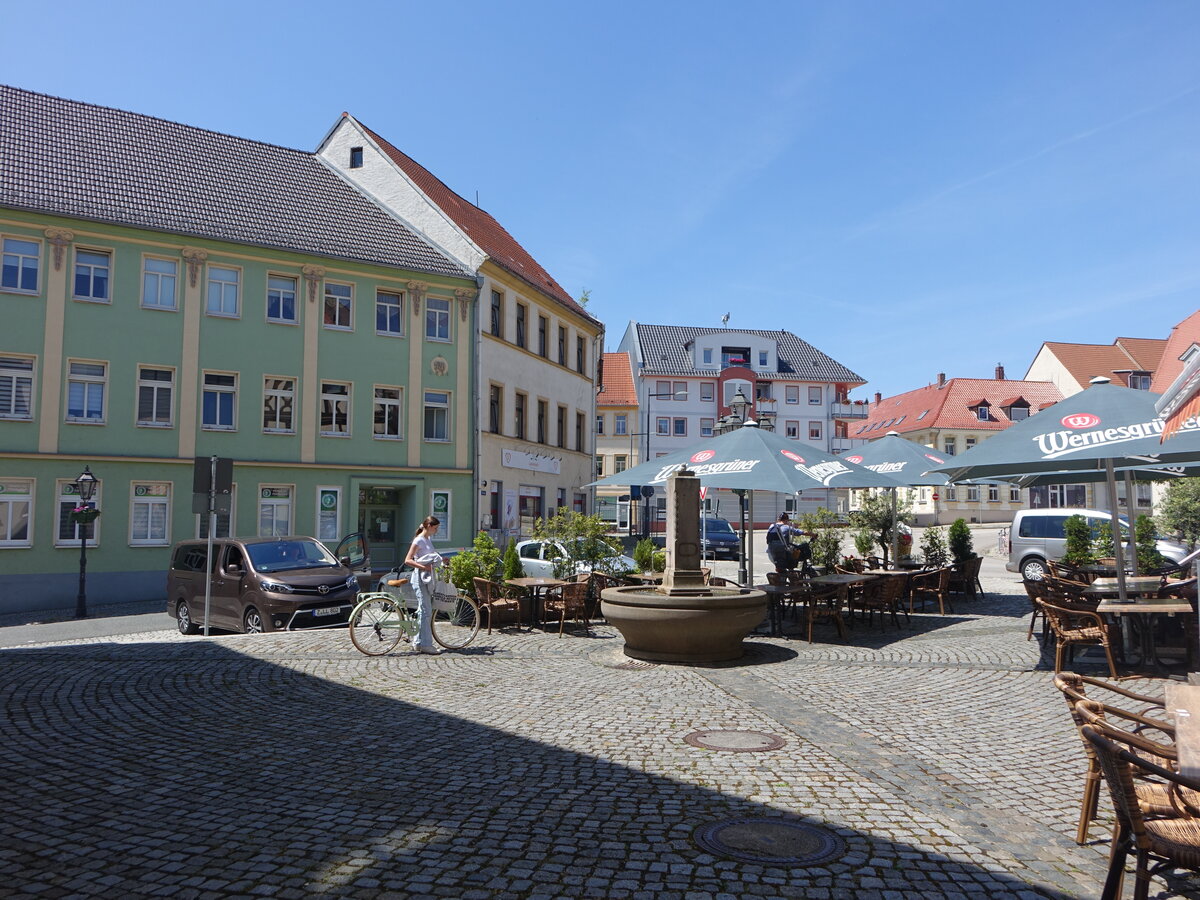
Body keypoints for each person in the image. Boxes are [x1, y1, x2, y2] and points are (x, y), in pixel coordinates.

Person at [404, 515, 444, 655]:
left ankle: (418, 642)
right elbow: (407, 560)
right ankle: (427, 645)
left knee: (423, 611)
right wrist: (423, 567)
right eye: (435, 528)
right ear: (428, 526)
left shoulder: (427, 539)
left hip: (426, 578)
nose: (436, 530)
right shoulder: (419, 540)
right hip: (420, 578)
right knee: (426, 610)